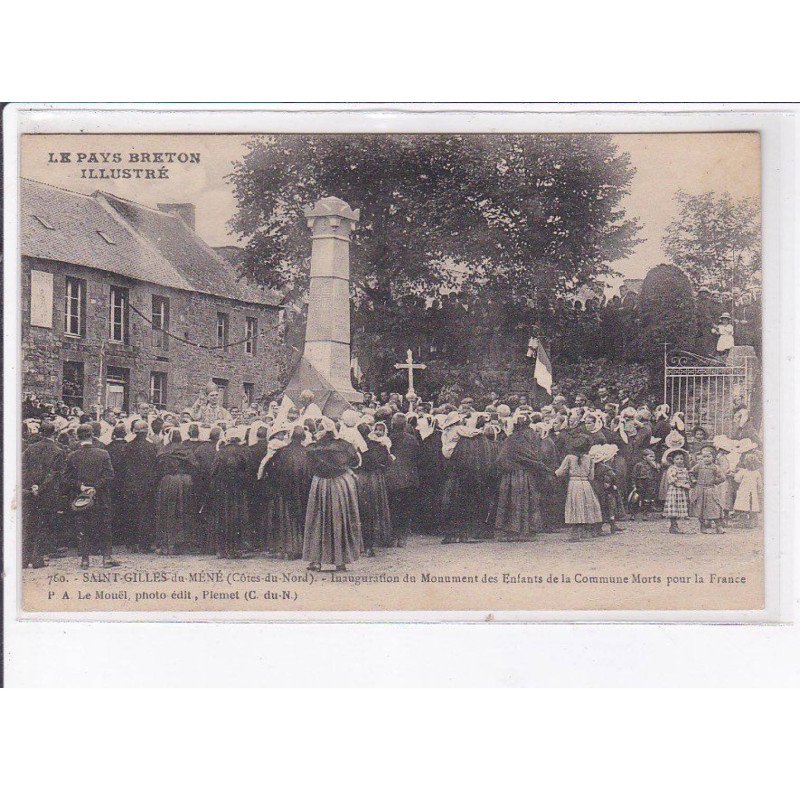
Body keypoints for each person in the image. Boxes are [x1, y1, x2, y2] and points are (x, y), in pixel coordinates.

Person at [302, 417, 363, 571]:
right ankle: (340, 561)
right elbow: (355, 461)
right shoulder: (345, 445)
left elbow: (308, 466)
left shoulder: (313, 448)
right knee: (341, 519)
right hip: (341, 483)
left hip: (320, 484)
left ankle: (316, 561)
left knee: (317, 519)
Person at [61, 423, 119, 569]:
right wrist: (95, 487)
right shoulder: (103, 453)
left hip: (80, 498)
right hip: (100, 496)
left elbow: (66, 479)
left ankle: (85, 560)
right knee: (104, 526)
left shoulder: (72, 456)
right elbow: (110, 476)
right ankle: (106, 558)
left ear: (77, 437)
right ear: (92, 435)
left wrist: (81, 487)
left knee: (82, 526)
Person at [492, 418, 548, 541]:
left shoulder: (512, 439)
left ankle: (515, 530)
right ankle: (525, 530)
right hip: (525, 474)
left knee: (514, 501)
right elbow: (533, 456)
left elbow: (501, 458)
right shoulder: (528, 438)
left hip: (513, 475)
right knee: (524, 501)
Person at [263, 426, 314, 560]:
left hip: (284, 491)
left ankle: (287, 548)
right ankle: (302, 548)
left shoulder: (282, 452)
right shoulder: (307, 453)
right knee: (301, 517)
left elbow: (270, 470)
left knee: (286, 519)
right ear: (303, 438)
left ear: (291, 437)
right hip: (303, 491)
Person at [21, 420, 65, 568]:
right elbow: (53, 474)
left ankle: (24, 559)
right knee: (43, 525)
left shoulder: (30, 449)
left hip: (30, 492)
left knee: (29, 525)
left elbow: (24, 470)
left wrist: (32, 486)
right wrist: (40, 488)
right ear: (55, 433)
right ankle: (37, 559)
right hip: (48, 494)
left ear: (40, 433)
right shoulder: (58, 451)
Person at [154, 429, 198, 555]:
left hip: (168, 482)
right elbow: (195, 467)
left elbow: (157, 469)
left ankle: (167, 543)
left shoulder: (163, 450)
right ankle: (182, 543)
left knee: (168, 511)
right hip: (185, 481)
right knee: (184, 511)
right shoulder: (187, 450)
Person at [353, 422, 393, 555]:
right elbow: (388, 462)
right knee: (374, 510)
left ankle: (361, 544)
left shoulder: (355, 447)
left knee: (360, 512)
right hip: (375, 480)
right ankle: (371, 544)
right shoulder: (378, 445)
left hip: (360, 480)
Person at [555, 434, 603, 541]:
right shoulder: (590, 459)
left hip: (574, 484)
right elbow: (591, 476)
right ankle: (585, 531)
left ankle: (575, 532)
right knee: (585, 505)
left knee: (575, 505)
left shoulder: (569, 458)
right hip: (586, 484)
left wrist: (553, 472)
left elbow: (560, 472)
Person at [209, 432, 250, 558]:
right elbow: (247, 471)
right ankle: (234, 549)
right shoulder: (243, 452)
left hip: (222, 490)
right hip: (237, 490)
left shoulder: (220, 452)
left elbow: (213, 471)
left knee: (222, 518)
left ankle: (221, 550)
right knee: (236, 518)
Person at [121, 419, 158, 552]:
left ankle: (131, 544)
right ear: (147, 432)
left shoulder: (128, 446)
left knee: (131, 514)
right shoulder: (152, 447)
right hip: (147, 486)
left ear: (134, 431)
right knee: (146, 514)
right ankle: (145, 545)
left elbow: (123, 467)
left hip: (131, 485)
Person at [384, 413, 420, 547]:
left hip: (392, 478)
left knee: (393, 507)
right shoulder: (412, 439)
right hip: (409, 477)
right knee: (406, 508)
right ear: (405, 425)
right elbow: (417, 457)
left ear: (393, 425)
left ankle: (393, 536)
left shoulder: (388, 439)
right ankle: (402, 537)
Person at [690, 445, 728, 534]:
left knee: (714, 508)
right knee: (700, 509)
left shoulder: (715, 467)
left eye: (708, 456)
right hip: (699, 490)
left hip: (710, 490)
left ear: (713, 457)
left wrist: (715, 481)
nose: (706, 459)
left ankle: (718, 526)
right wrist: (694, 480)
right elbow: (691, 472)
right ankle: (702, 527)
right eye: (704, 457)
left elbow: (722, 477)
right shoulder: (698, 466)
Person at [662, 449, 691, 534]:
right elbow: (672, 480)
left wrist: (687, 483)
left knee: (678, 508)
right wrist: (682, 485)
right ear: (673, 460)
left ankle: (674, 526)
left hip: (682, 491)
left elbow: (687, 478)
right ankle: (673, 525)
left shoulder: (684, 469)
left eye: (681, 459)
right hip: (675, 490)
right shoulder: (672, 468)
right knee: (673, 507)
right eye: (677, 459)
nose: (679, 461)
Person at [733, 452, 763, 528]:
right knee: (752, 507)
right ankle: (753, 523)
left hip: (744, 492)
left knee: (743, 508)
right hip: (753, 492)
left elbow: (737, 479)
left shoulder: (743, 471)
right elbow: (760, 484)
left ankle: (743, 522)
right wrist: (759, 490)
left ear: (745, 463)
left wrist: (734, 474)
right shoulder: (757, 473)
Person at [631, 449, 660, 519]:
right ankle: (633, 514)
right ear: (644, 457)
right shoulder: (639, 465)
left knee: (647, 499)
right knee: (636, 498)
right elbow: (634, 475)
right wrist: (634, 485)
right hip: (640, 483)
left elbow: (657, 475)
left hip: (650, 483)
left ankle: (645, 514)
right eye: (650, 456)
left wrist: (656, 467)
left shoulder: (655, 465)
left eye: (653, 457)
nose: (653, 458)